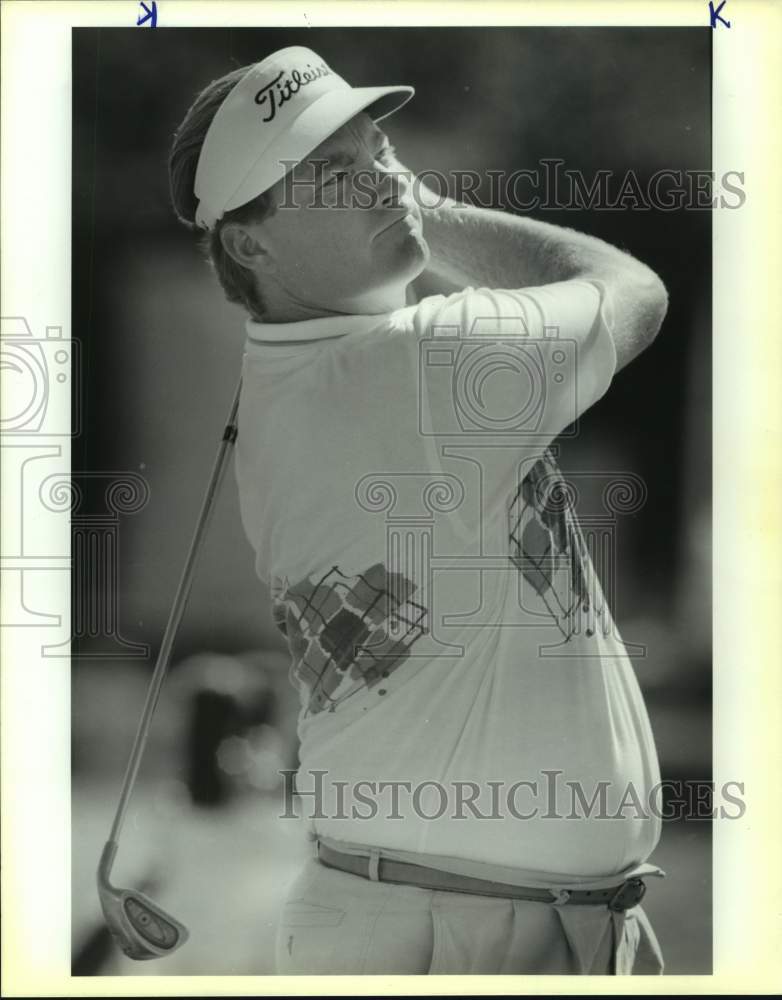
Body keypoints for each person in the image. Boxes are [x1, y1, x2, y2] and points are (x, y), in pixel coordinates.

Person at [169, 45, 669, 975]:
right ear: (250, 244)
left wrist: (392, 203)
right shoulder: (413, 363)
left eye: (380, 152)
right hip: (452, 925)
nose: (382, 180)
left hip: (449, 909)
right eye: (333, 172)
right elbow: (634, 291)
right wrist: (432, 217)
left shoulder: (310, 373)